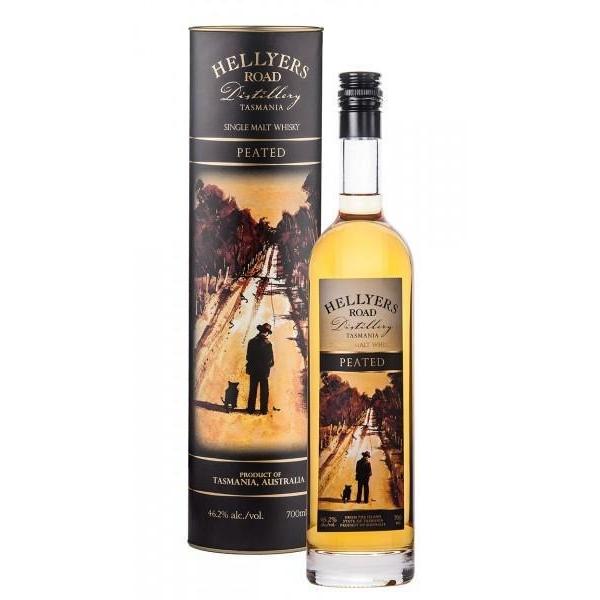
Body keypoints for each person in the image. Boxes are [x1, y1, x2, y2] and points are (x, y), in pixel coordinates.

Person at [245, 322, 274, 415]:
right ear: (266, 333)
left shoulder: (251, 341)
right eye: (268, 333)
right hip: (263, 371)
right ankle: (263, 410)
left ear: (260, 331)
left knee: (252, 389)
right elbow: (271, 361)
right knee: (264, 391)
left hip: (253, 370)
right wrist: (267, 365)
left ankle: (250, 409)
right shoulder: (268, 344)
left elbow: (248, 357)